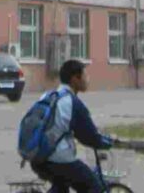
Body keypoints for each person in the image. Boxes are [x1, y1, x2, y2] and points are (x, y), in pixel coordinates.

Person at [30, 59, 116, 193]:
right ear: (75, 79)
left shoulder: (48, 95)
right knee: (94, 187)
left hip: (37, 156)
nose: (87, 79)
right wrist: (106, 142)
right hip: (58, 159)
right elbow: (89, 136)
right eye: (85, 75)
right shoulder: (72, 103)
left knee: (61, 187)